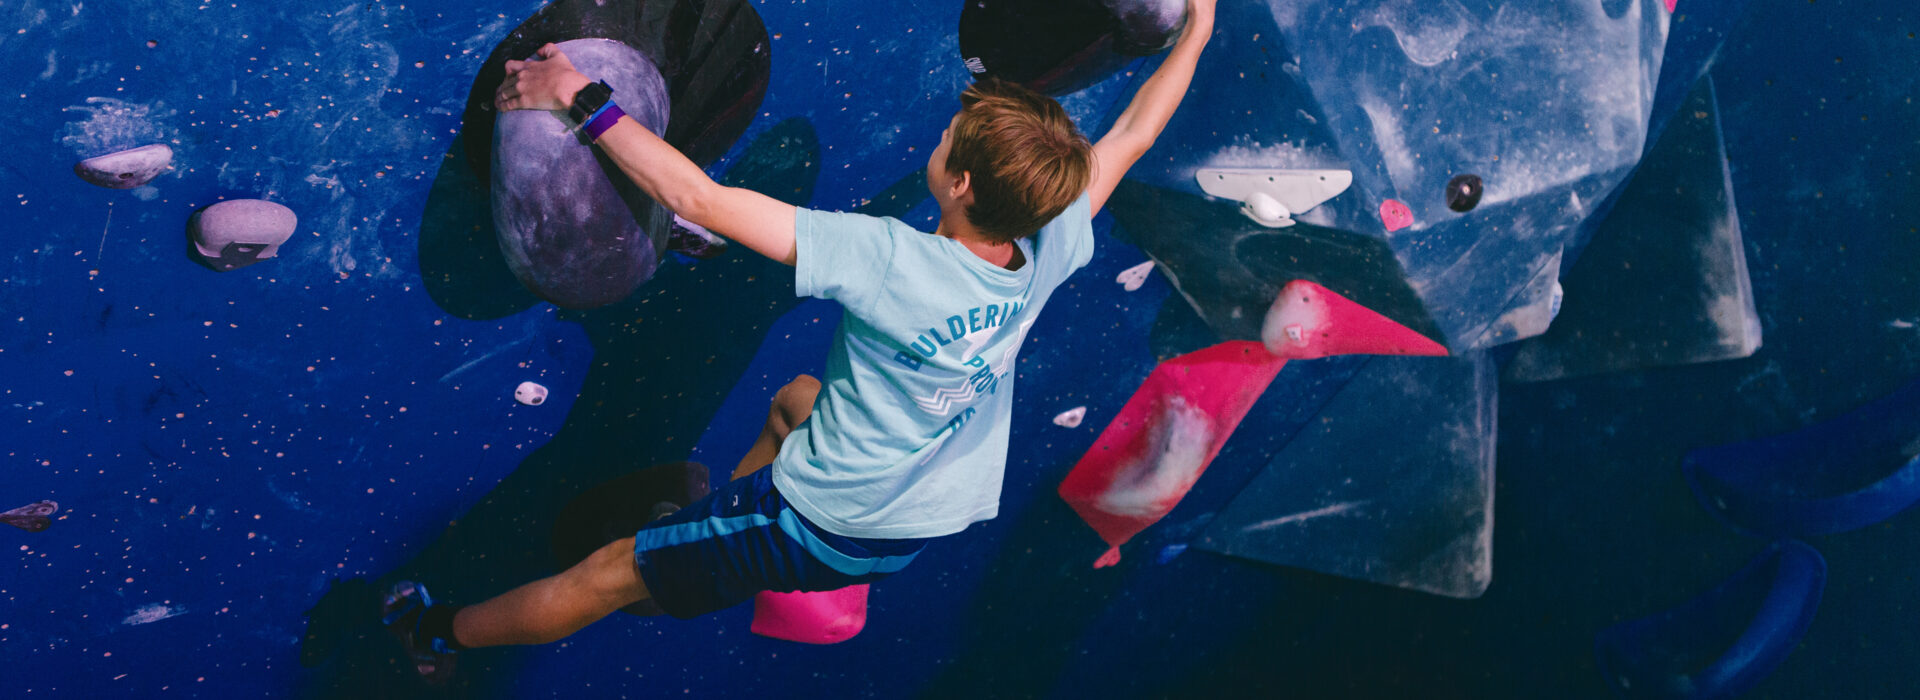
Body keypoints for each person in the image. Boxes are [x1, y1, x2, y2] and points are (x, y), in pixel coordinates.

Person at [382, 0, 1216, 680]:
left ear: (959, 184)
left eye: (948, 144)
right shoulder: (1054, 236)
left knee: (607, 575)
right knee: (796, 403)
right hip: (928, 506)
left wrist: (579, 95)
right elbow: (1134, 133)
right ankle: (720, 528)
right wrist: (1201, 29)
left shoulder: (888, 260)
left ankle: (435, 636)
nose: (940, 137)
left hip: (823, 524)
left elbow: (701, 199)